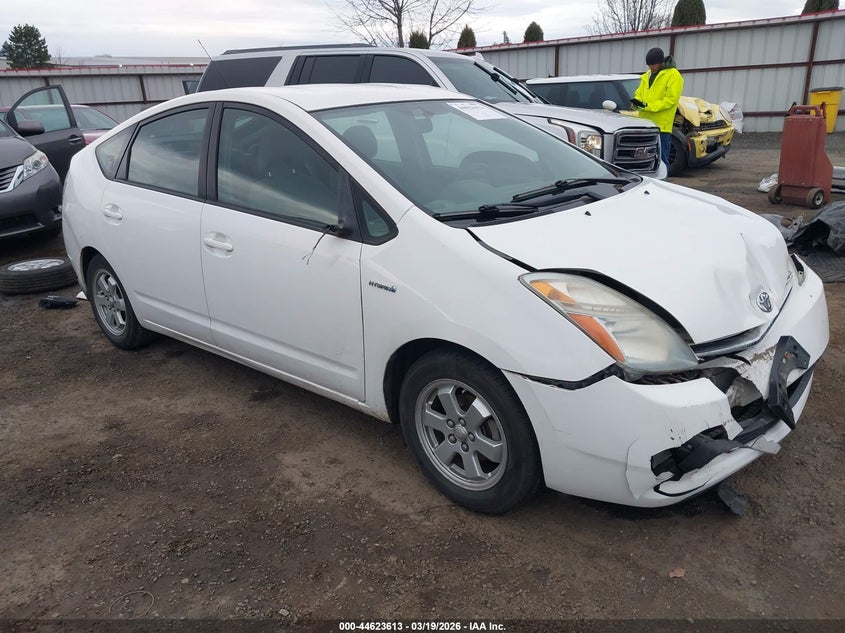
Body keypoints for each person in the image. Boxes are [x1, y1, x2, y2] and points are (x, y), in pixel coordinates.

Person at [630, 47, 683, 171]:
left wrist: (648, 107)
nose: (651, 67)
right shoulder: (647, 76)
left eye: (653, 65)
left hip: (661, 127)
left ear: (661, 62)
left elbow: (670, 100)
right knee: (644, 160)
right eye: (649, 65)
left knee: (661, 161)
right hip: (645, 125)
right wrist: (636, 102)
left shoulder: (673, 75)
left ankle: (662, 185)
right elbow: (639, 93)